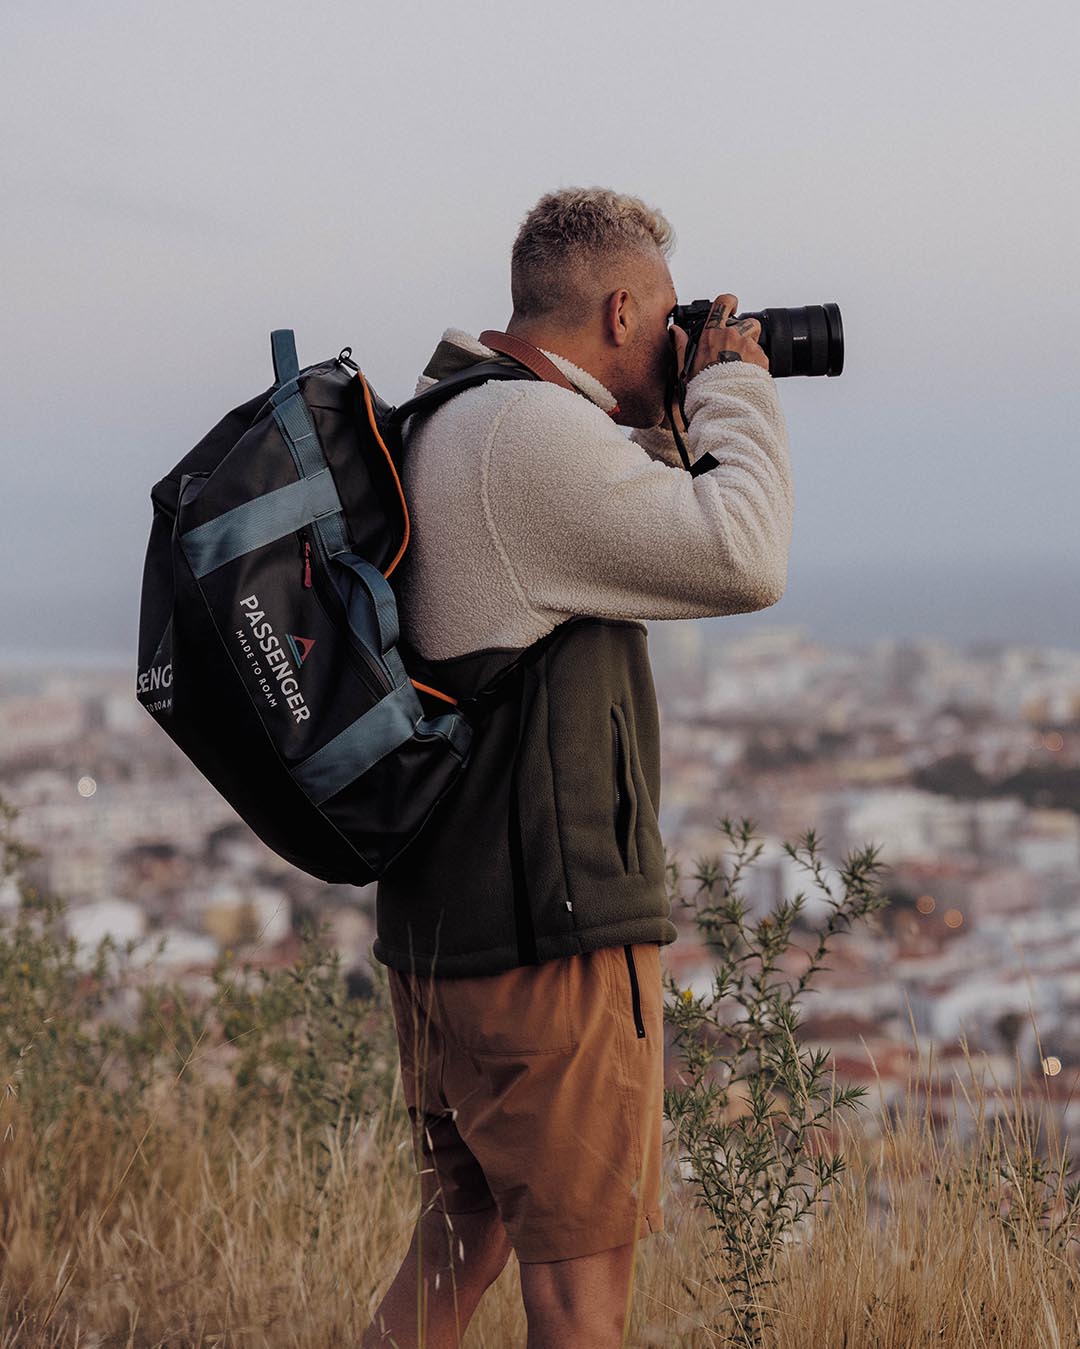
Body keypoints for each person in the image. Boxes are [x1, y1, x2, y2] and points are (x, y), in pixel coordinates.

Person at [361, 187, 794, 1347]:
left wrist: (676, 399)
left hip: (449, 929)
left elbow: (608, 520)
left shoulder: (455, 418)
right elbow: (743, 555)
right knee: (582, 1299)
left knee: (464, 1238)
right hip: (545, 943)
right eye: (665, 320)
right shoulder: (530, 439)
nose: (678, 337)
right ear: (617, 308)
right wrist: (735, 386)